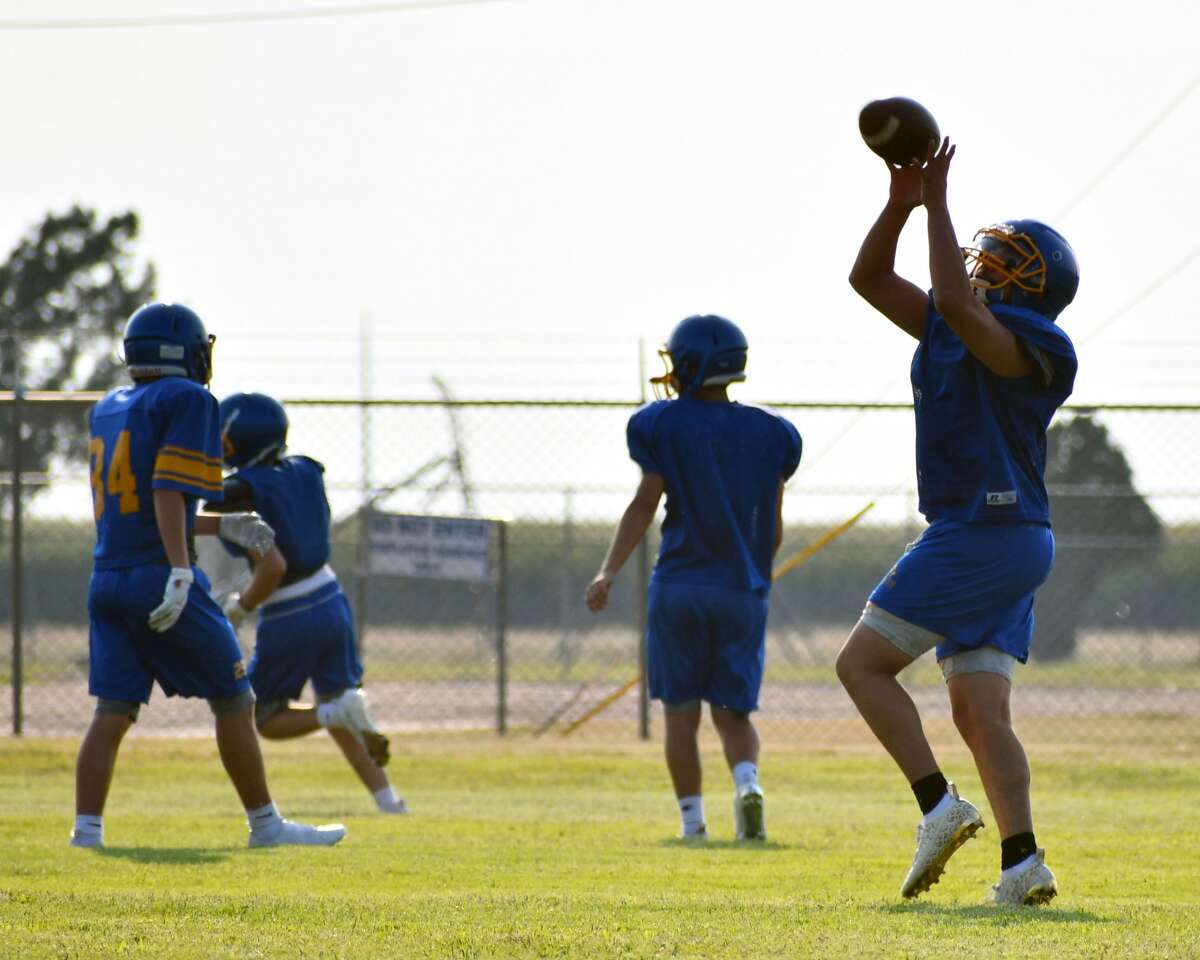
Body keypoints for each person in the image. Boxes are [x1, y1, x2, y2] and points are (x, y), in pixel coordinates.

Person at [838, 137, 1079, 905]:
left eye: (1002, 258)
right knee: (980, 712)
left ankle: (938, 806)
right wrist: (901, 204)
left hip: (984, 532)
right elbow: (868, 278)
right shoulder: (957, 317)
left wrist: (939, 198)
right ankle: (1022, 863)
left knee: (860, 667)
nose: (983, 263)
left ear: (1030, 284)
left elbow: (952, 302)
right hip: (1002, 540)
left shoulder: (1037, 342)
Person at [74, 302, 346, 849]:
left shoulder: (109, 406)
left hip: (108, 576)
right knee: (236, 698)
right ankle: (266, 826)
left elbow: (148, 506)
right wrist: (179, 567)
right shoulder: (189, 398)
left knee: (113, 710)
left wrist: (223, 523)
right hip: (159, 571)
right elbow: (167, 491)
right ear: (182, 352)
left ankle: (87, 832)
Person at [585, 315, 801, 841]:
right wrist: (754, 577)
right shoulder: (772, 433)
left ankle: (692, 824)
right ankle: (747, 784)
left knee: (680, 714)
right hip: (741, 589)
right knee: (733, 712)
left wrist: (608, 570)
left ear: (688, 364)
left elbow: (644, 505)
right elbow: (771, 529)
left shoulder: (661, 424)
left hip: (680, 585)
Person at [205, 391, 405, 815]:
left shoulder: (239, 492)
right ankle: (389, 802)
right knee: (340, 702)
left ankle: (333, 714)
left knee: (263, 716)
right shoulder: (304, 471)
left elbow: (273, 567)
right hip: (331, 598)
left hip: (290, 610)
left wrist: (240, 608)